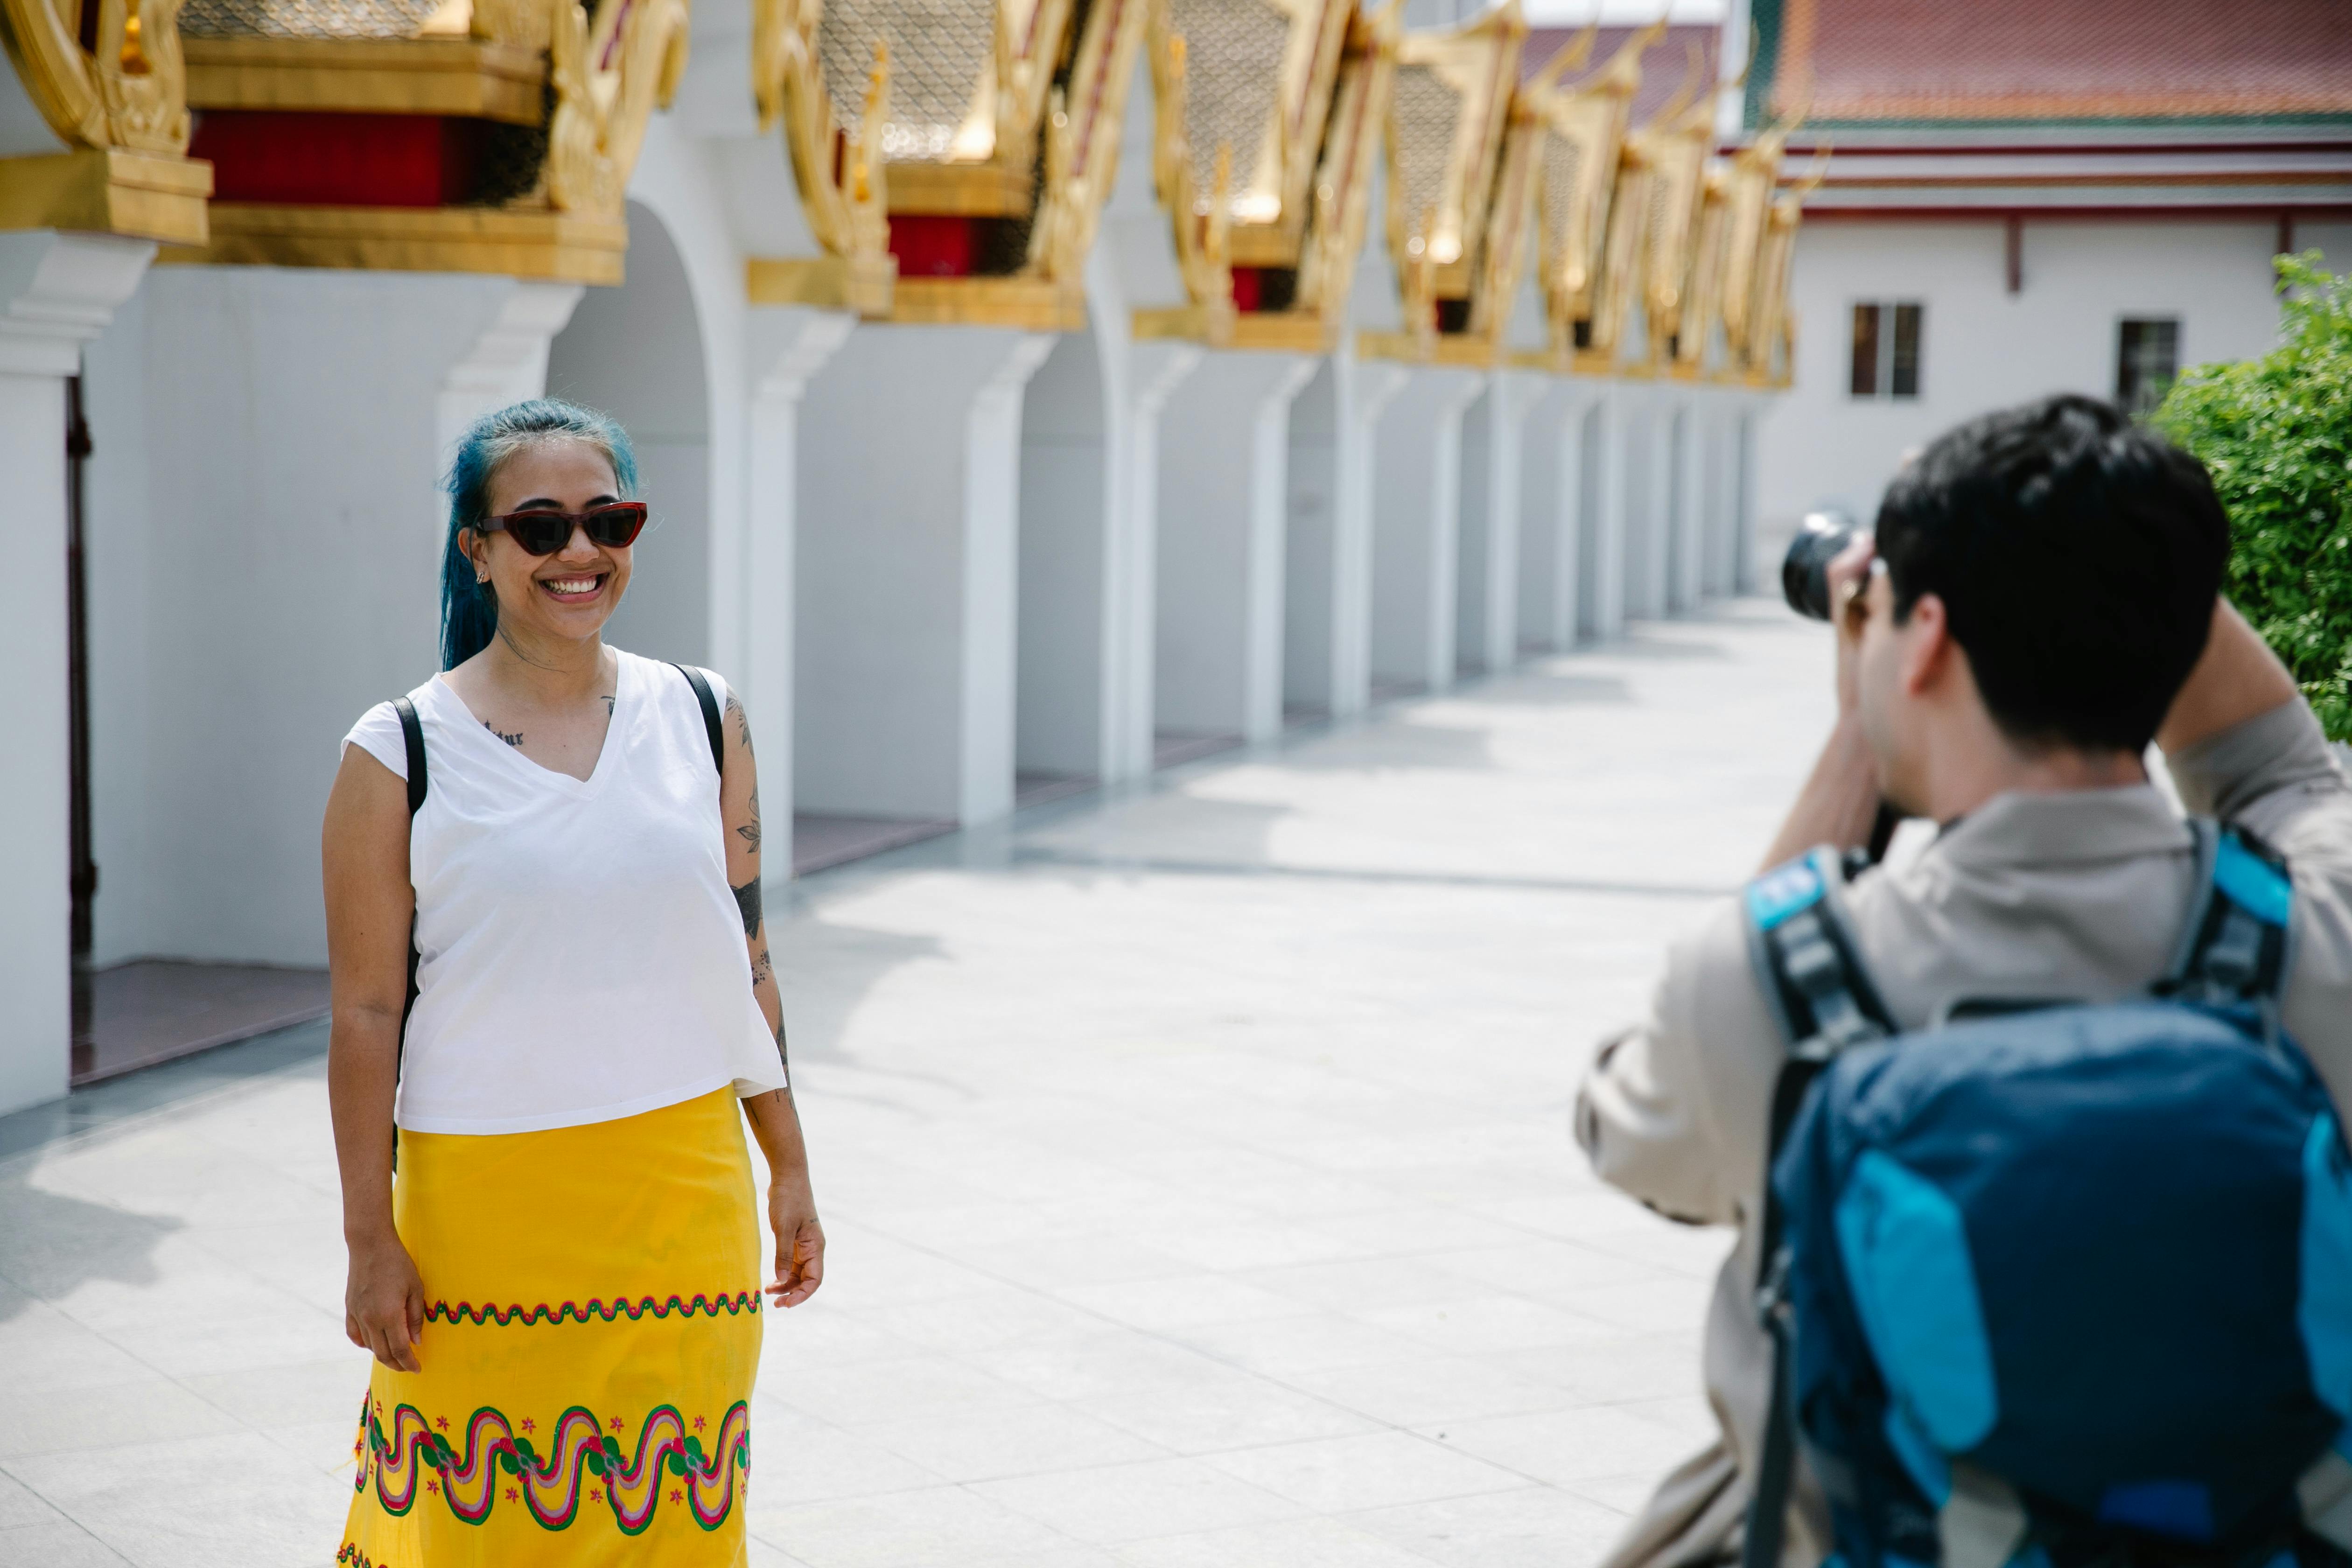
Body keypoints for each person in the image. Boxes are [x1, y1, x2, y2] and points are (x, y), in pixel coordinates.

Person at [1575, 393, 2352, 1568]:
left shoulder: (1759, 981)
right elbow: (2274, 761)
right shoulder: (2317, 935)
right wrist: (2092, 549)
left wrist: (1865, 721)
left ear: (1926, 639)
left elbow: (1646, 1159)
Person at [322, 399, 823, 1565]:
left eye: (610, 519)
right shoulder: (396, 751)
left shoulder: (704, 717)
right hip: (484, 1205)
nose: (580, 552)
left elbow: (746, 958)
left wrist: (788, 1162)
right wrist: (367, 1236)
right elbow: (363, 1011)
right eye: (539, 527)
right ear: (477, 549)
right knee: (479, 1526)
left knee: (674, 1523)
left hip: (680, 1197)